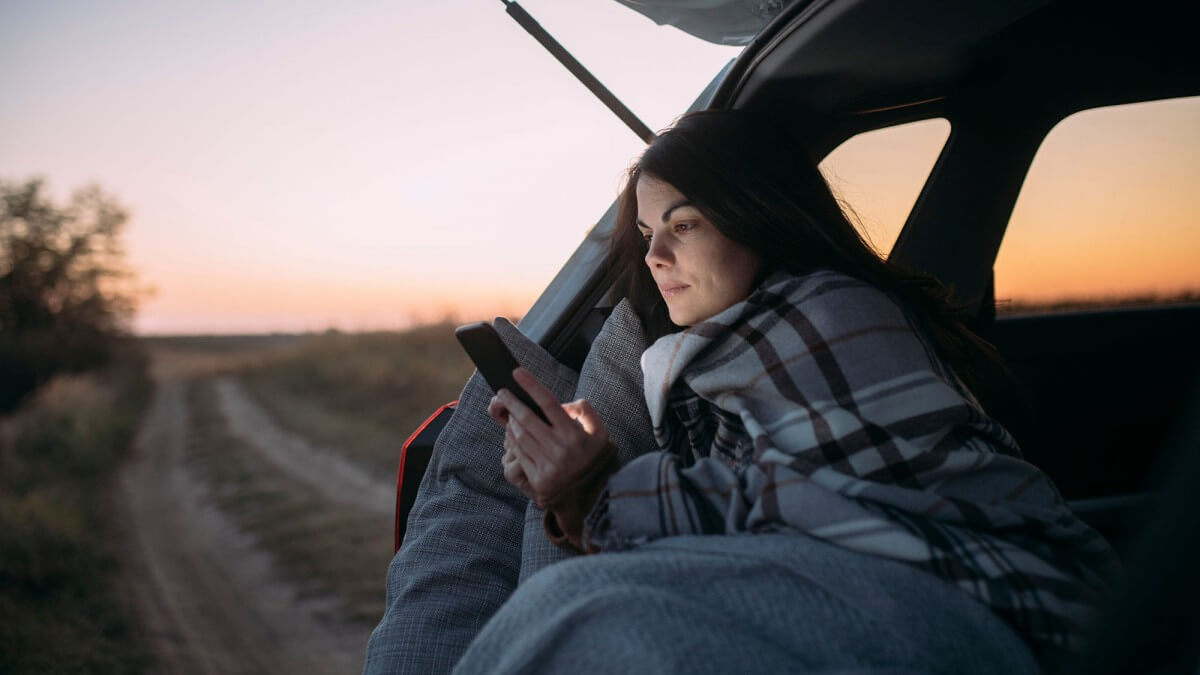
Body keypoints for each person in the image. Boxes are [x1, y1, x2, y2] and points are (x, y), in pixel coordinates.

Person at [456, 109, 1118, 674]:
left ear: (757, 215)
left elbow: (822, 507)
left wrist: (596, 490)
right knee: (572, 613)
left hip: (978, 595)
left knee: (579, 617)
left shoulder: (834, 313)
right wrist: (570, 484)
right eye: (647, 232)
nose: (656, 254)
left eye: (683, 224)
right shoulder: (703, 350)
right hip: (856, 587)